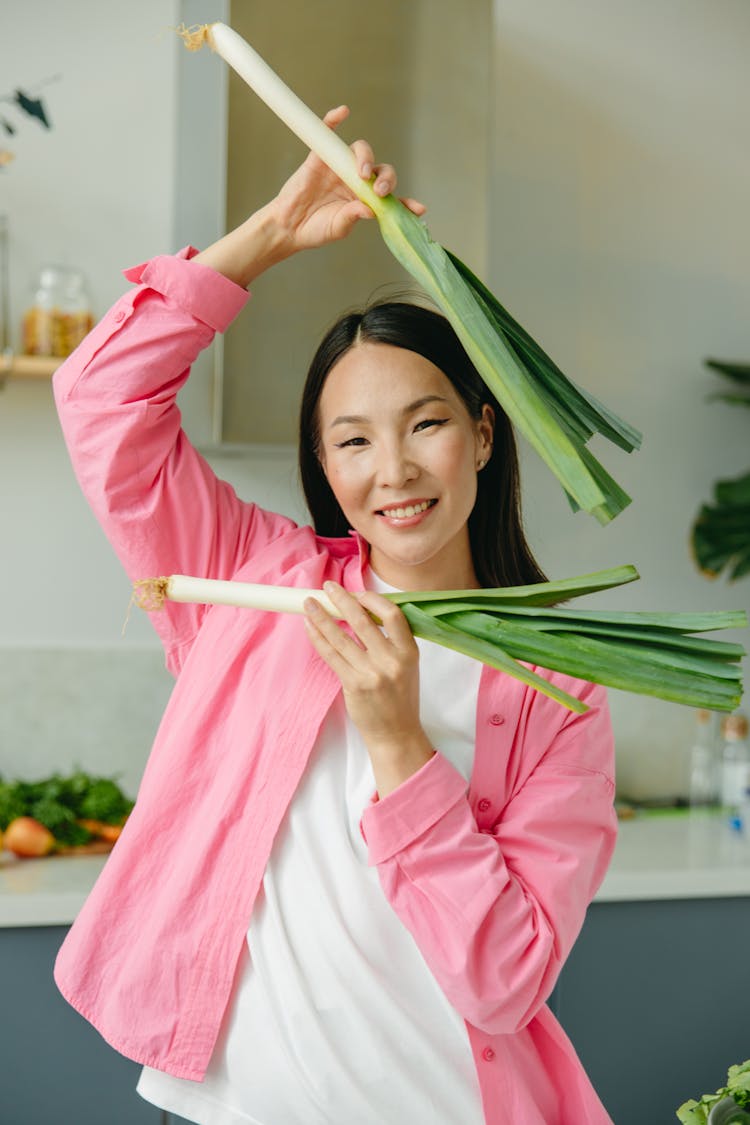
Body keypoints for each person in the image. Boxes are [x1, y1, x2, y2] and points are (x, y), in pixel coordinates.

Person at [53, 106, 618, 1125]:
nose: (393, 471)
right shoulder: (258, 583)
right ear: (322, 466)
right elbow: (98, 400)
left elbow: (506, 984)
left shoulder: (558, 690)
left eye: (428, 424)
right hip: (232, 1105)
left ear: (483, 436)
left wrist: (401, 743)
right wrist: (267, 235)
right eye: (351, 441)